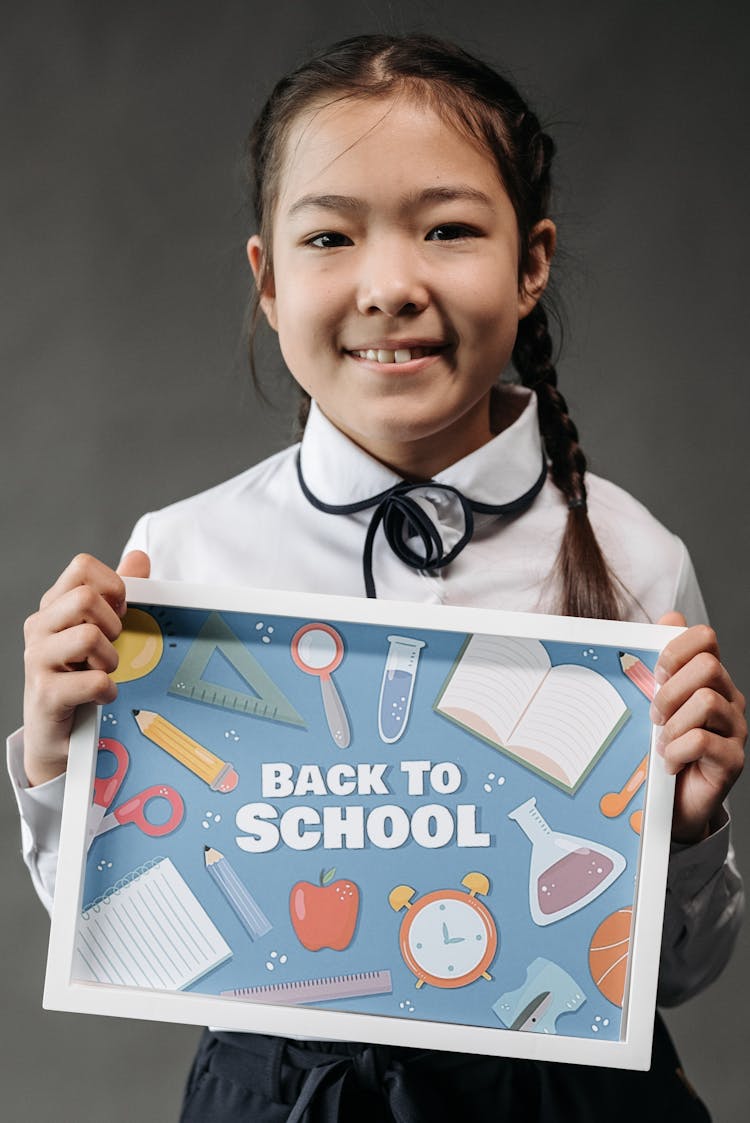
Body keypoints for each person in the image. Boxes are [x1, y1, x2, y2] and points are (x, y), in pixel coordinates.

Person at [10, 33, 745, 1123]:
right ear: (267, 278)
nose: (390, 284)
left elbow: (674, 974)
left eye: (448, 229)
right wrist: (57, 754)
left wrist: (687, 834)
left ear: (531, 262)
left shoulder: (636, 558)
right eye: (330, 236)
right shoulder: (183, 555)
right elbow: (133, 932)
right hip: (281, 1095)